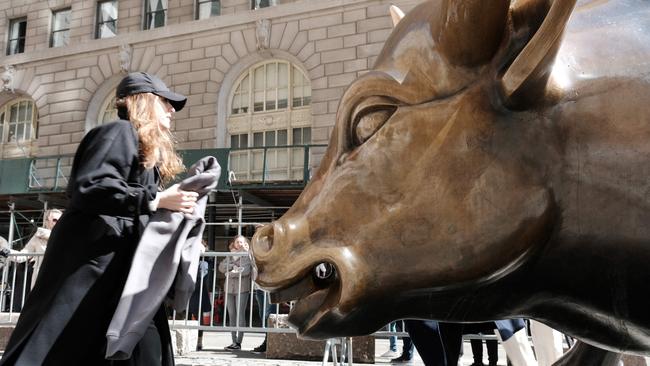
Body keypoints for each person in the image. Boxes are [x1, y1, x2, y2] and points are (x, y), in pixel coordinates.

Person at [0, 71, 198, 366]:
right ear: (143, 101)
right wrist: (157, 200)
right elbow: (91, 187)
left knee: (143, 349)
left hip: (121, 273)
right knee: (60, 347)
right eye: (165, 102)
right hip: (93, 270)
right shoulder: (118, 133)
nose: (172, 109)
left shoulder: (145, 153)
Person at [6, 209, 62, 289]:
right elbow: (23, 255)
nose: (58, 223)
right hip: (42, 276)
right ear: (47, 221)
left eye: (60, 220)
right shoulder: (38, 237)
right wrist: (5, 251)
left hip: (60, 276)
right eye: (54, 220)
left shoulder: (67, 236)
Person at [219, 235, 252, 351]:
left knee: (240, 314)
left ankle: (239, 341)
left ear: (245, 243)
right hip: (228, 289)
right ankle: (233, 342)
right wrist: (233, 267)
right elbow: (221, 267)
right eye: (237, 242)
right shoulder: (230, 255)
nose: (239, 244)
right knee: (231, 314)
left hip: (242, 288)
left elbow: (246, 271)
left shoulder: (247, 256)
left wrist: (229, 274)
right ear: (234, 243)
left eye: (242, 242)